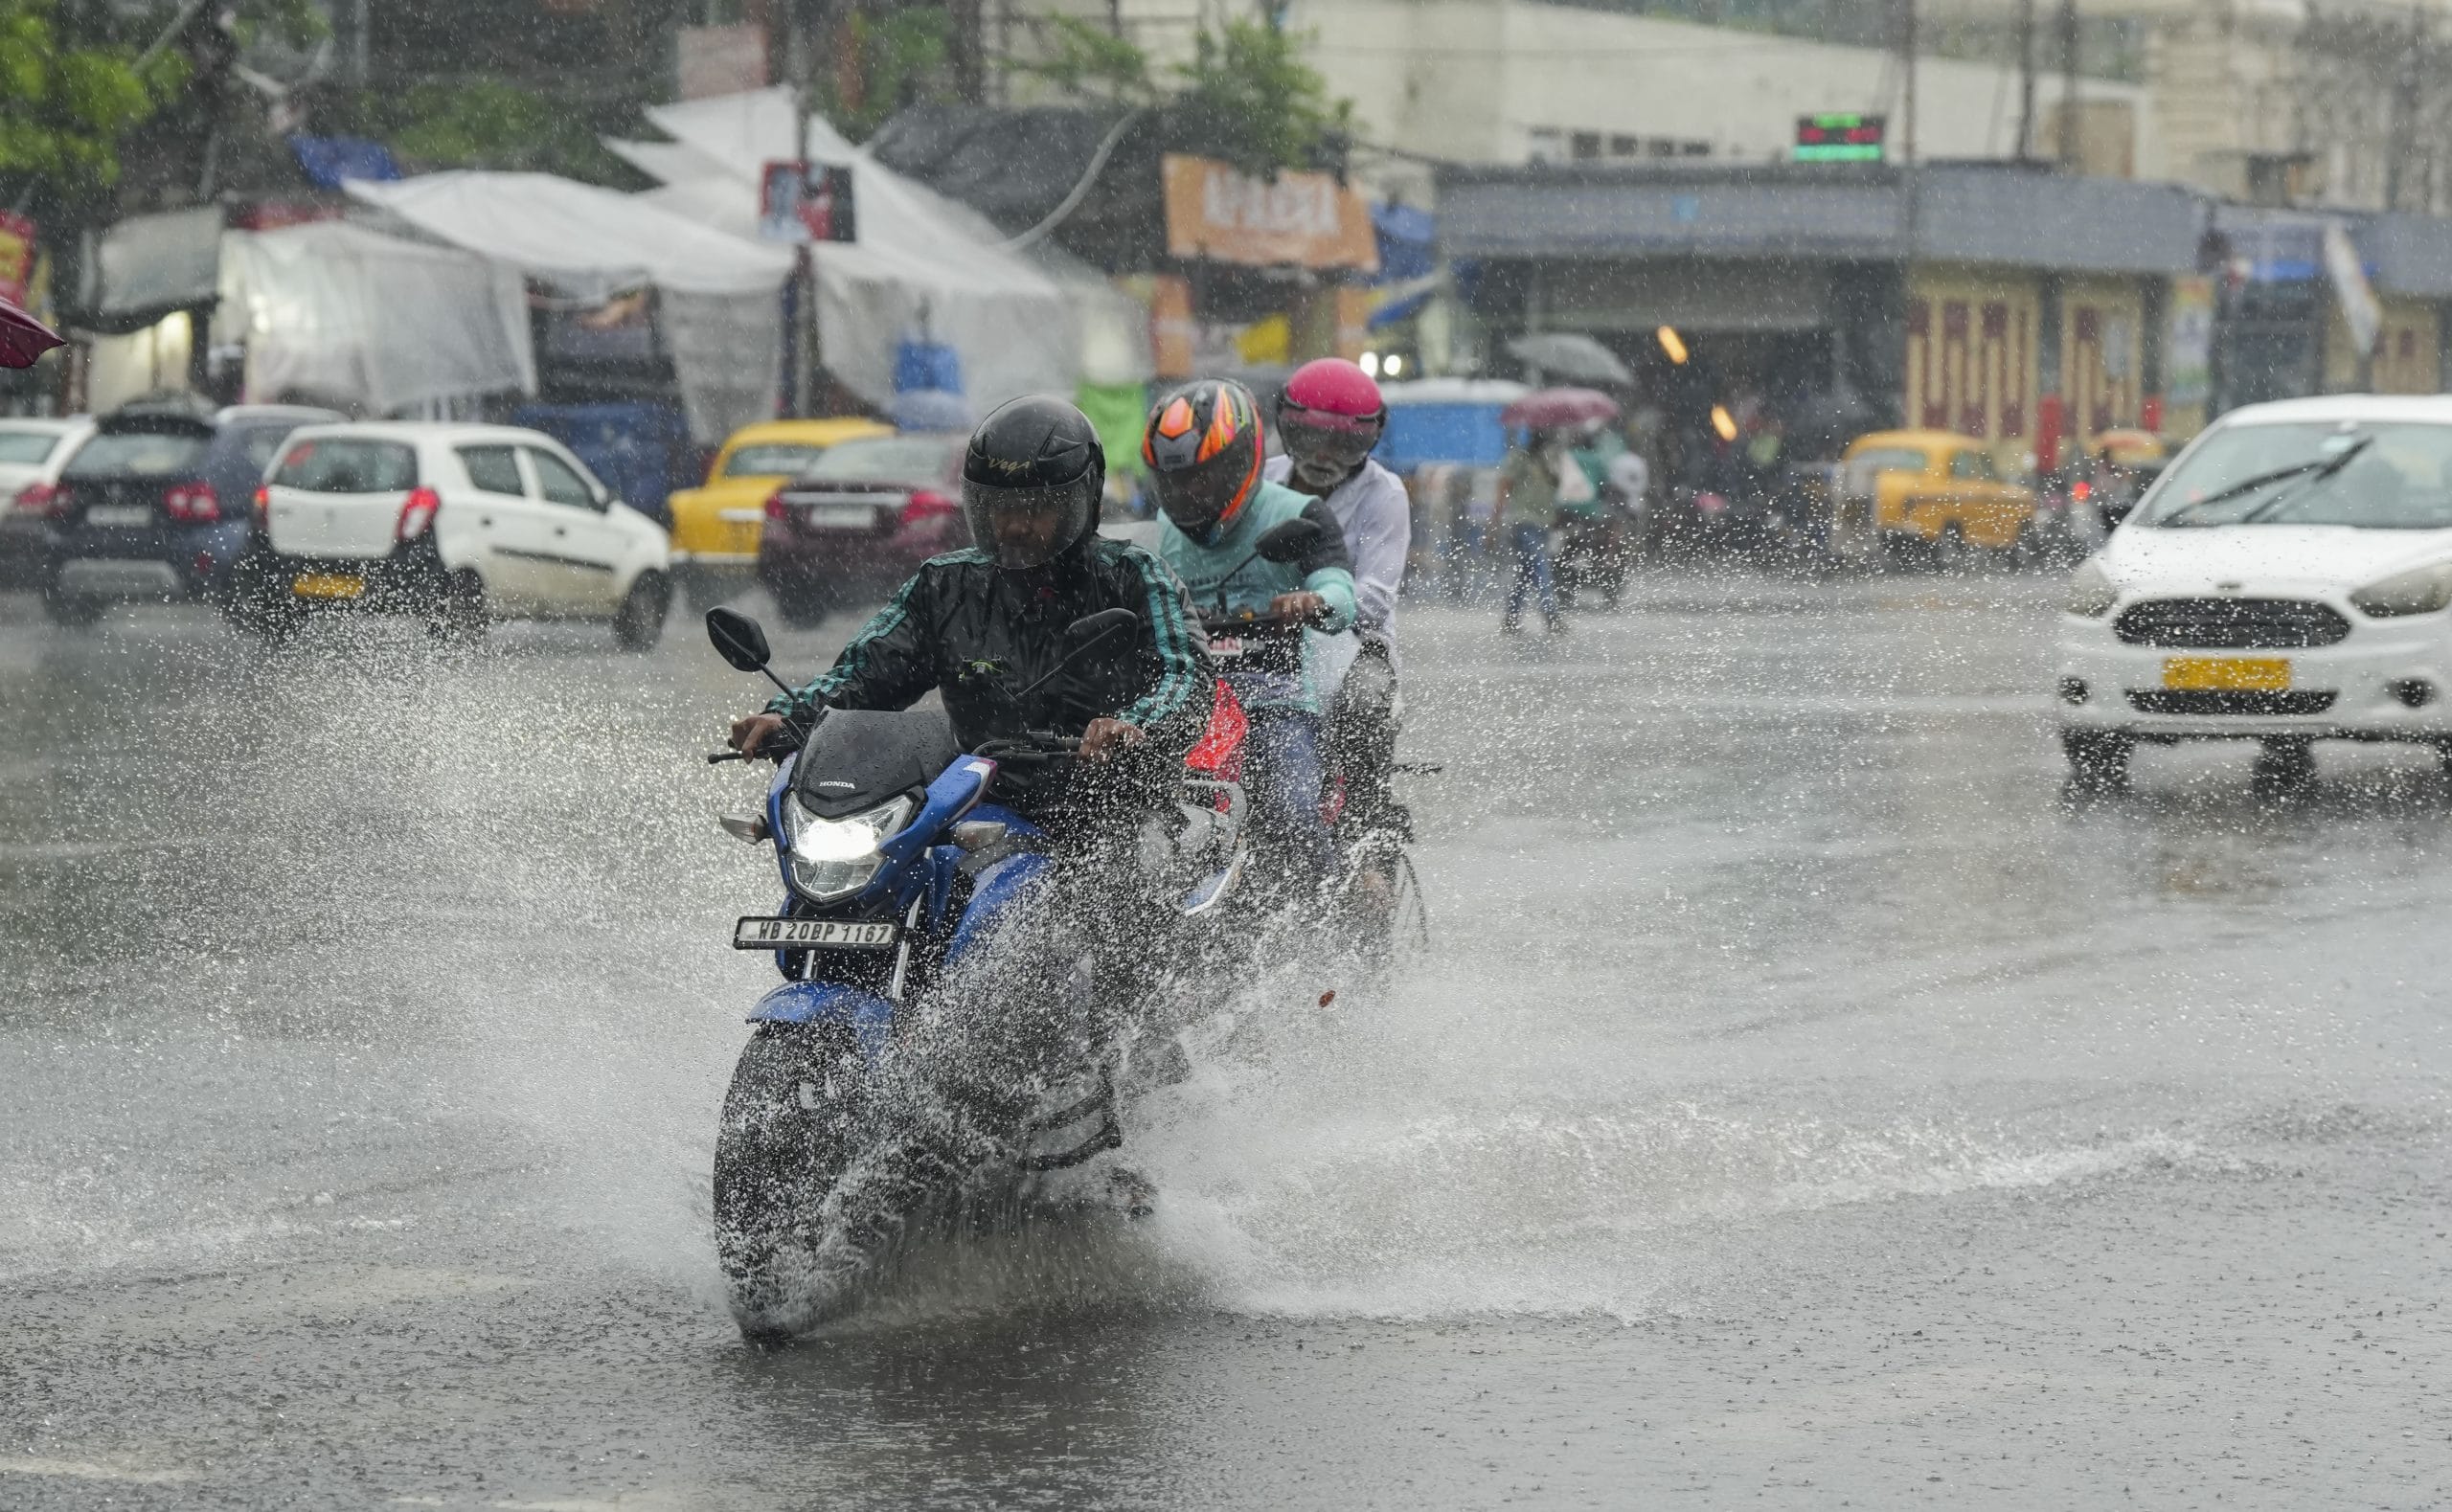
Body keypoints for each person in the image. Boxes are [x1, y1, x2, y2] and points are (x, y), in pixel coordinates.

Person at [726, 395, 1214, 824]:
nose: (1013, 527)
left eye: (1034, 508)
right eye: (998, 508)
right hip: (973, 806)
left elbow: (1186, 678)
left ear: (1081, 501)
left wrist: (1134, 725)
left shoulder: (1134, 576)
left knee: (1124, 908)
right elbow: (864, 675)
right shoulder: (943, 584)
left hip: (1113, 812)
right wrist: (791, 716)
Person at [1144, 377, 1358, 895]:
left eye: (1205, 478)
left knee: (1289, 807)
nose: (1190, 494)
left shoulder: (1298, 513)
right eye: (1177, 482)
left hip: (1277, 701)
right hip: (1193, 707)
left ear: (1244, 460)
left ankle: (1328, 919)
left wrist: (1314, 600)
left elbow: (1339, 586)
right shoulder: (1162, 532)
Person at [1264, 358, 1410, 828]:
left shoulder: (1385, 493)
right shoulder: (1261, 481)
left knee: (1365, 704)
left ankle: (1369, 837)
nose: (1324, 455)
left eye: (1343, 443)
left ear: (1370, 439)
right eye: (1311, 438)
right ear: (1286, 428)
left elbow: (1376, 596)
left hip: (1353, 645)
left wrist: (1319, 604)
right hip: (1260, 639)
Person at [1495, 425, 1567, 634]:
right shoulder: (1519, 458)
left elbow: (1557, 486)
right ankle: (1551, 616)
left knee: (1527, 573)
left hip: (1543, 523)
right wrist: (1495, 520)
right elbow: (1504, 486)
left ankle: (1511, 617)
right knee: (1541, 568)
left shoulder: (1549, 460)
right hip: (1524, 523)